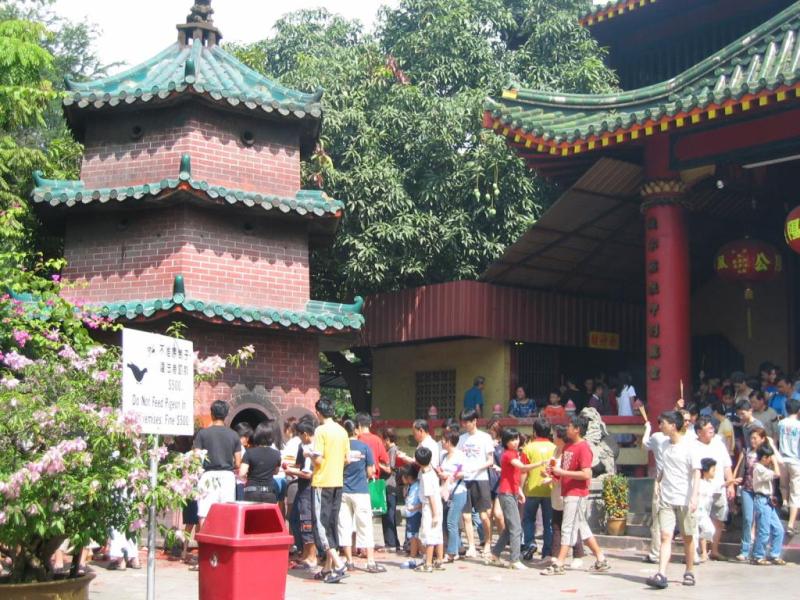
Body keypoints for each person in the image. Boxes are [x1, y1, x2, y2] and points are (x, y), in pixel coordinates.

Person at [540, 415, 611, 576]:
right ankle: (601, 559)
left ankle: (559, 563)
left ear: (577, 429)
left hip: (577, 493)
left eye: (570, 426)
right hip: (567, 492)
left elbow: (586, 474)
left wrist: (561, 472)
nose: (567, 429)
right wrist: (552, 473)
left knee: (568, 527)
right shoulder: (568, 447)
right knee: (582, 528)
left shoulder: (583, 448)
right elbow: (563, 472)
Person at [646, 411, 700, 590]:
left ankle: (689, 571)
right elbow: (663, 468)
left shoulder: (690, 446)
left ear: (673, 425)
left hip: (684, 497)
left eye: (663, 423)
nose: (660, 426)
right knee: (665, 536)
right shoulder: (664, 445)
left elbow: (696, 472)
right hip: (666, 497)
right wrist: (658, 482)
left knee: (687, 537)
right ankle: (661, 573)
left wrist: (694, 496)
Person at [309, 398, 349, 583]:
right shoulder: (342, 431)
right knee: (332, 523)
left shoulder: (320, 430)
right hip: (337, 482)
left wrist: (309, 454)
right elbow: (347, 459)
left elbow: (317, 459)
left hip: (322, 482)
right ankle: (327, 568)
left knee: (322, 526)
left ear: (318, 412)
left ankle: (339, 565)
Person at [338, 420, 385, 573]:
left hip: (343, 491)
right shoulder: (365, 447)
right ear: (356, 430)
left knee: (344, 526)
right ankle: (370, 562)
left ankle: (349, 561)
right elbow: (371, 471)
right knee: (365, 525)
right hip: (361, 491)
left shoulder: (341, 447)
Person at [488, 428, 538, 569]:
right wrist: (540, 464)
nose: (515, 442)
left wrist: (519, 491)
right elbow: (522, 468)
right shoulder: (509, 454)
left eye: (516, 438)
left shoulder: (514, 453)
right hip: (507, 493)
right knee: (516, 528)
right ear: (505, 442)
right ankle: (514, 560)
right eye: (511, 440)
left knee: (510, 527)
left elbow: (512, 476)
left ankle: (495, 554)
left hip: (511, 492)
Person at [193, 400, 242, 531]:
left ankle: (205, 541)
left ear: (212, 414)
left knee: (204, 512)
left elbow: (196, 458)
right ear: (226, 415)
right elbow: (238, 463)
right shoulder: (234, 435)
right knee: (226, 512)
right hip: (227, 476)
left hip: (208, 475)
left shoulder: (203, 434)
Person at [691, 416, 733, 561]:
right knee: (703, 520)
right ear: (699, 432)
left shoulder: (719, 443)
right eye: (708, 428)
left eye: (712, 428)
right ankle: (703, 551)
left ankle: (714, 550)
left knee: (719, 520)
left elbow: (727, 465)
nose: (711, 430)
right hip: (702, 490)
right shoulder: (693, 446)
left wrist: (730, 484)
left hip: (719, 487)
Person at [457, 408, 496, 558]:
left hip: (481, 479)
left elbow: (490, 461)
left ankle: (488, 543)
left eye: (467, 422)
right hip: (464, 480)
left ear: (474, 421)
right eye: (463, 422)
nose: (465, 424)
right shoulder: (461, 439)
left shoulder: (485, 437)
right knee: (466, 516)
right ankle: (471, 546)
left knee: (484, 515)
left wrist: (476, 468)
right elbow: (458, 460)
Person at [548, 425, 585, 569]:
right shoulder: (555, 450)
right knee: (557, 523)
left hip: (568, 491)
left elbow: (567, 472)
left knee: (571, 525)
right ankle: (556, 555)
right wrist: (549, 473)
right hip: (556, 492)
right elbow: (554, 470)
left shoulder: (569, 451)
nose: (552, 437)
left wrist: (556, 475)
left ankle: (578, 554)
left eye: (554, 435)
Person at [522, 418, 556, 561]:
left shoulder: (528, 448)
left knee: (529, 519)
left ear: (534, 432)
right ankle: (547, 551)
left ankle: (530, 543)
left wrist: (520, 488)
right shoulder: (554, 448)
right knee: (549, 522)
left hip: (532, 489)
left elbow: (524, 471)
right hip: (550, 489)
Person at [284, 420, 317, 570]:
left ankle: (312, 555)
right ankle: (304, 552)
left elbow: (308, 473)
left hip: (309, 487)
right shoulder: (301, 446)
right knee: (295, 518)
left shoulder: (315, 447)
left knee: (307, 520)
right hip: (302, 487)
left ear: (305, 434)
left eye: (300, 435)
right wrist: (290, 468)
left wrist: (291, 471)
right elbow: (299, 466)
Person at [736, 427, 770, 561]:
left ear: (762, 439)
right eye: (751, 438)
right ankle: (744, 550)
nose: (752, 440)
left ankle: (758, 550)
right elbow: (740, 468)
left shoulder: (766, 453)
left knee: (761, 521)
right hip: (747, 488)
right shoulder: (747, 451)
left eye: (755, 438)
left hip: (761, 491)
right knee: (747, 519)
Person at [642, 414, 670, 564]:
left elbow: (644, 445)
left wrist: (647, 428)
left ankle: (655, 554)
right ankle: (694, 555)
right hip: (676, 484)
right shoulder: (688, 438)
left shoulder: (657, 437)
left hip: (662, 483)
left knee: (658, 521)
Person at [751, 444, 787, 565]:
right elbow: (777, 474)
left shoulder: (764, 468)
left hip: (768, 500)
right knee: (764, 530)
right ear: (764, 457)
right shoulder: (759, 468)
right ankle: (758, 556)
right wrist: (775, 462)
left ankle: (774, 554)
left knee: (779, 529)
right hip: (761, 500)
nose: (771, 459)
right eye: (769, 457)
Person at [415, 446, 444, 572]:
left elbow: (430, 496)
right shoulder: (431, 469)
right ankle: (439, 561)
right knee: (438, 533)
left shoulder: (426, 476)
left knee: (429, 535)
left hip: (431, 507)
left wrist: (434, 514)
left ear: (418, 461)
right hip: (438, 504)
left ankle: (428, 563)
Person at [439, 430, 467, 562]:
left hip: (458, 492)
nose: (441, 442)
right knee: (446, 522)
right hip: (446, 493)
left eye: (443, 440)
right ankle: (459, 548)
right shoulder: (444, 456)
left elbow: (465, 472)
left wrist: (450, 476)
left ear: (449, 442)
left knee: (451, 522)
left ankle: (451, 553)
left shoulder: (460, 455)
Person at [239, 422, 282, 503]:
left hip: (252, 492)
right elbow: (276, 472)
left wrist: (246, 479)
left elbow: (242, 473)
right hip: (269, 493)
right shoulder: (276, 454)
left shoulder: (249, 452)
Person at [778, 398, 800, 535]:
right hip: (795, 460)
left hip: (782, 459)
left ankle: (785, 502)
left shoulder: (781, 423)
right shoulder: (799, 425)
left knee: (783, 485)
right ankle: (791, 524)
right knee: (796, 492)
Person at [380, 428, 402, 552]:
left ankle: (391, 543)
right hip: (391, 486)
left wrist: (378, 464)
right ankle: (394, 542)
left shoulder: (392, 450)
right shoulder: (393, 449)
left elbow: (390, 469)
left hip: (390, 485)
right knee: (389, 515)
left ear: (387, 439)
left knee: (388, 515)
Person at [695, 458, 717, 562]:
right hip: (697, 510)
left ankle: (697, 550)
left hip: (704, 512)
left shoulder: (710, 483)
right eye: (713, 470)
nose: (714, 472)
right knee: (696, 533)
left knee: (710, 530)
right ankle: (694, 554)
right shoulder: (698, 482)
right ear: (705, 471)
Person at [400, 465, 422, 566]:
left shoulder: (417, 487)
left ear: (408, 477)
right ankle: (418, 553)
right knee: (412, 536)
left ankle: (414, 555)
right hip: (410, 513)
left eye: (403, 477)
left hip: (415, 513)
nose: (401, 479)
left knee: (413, 536)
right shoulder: (410, 486)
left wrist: (414, 508)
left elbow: (421, 502)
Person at [233, 423, 253, 501]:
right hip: (240, 483)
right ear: (242, 436)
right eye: (247, 437)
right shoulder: (240, 448)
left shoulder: (231, 445)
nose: (247, 440)